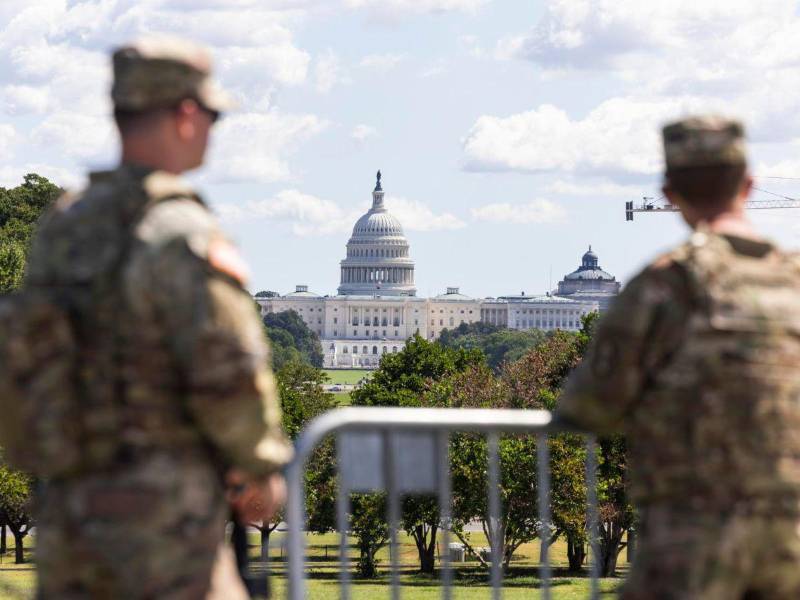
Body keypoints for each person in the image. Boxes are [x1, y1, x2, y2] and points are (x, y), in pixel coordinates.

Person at [24, 36, 292, 599]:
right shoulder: (181, 233)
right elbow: (230, 368)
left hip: (70, 512)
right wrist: (260, 467)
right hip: (164, 521)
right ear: (187, 115)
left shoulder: (64, 227)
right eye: (213, 115)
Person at [556, 116, 800, 599]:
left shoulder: (668, 284)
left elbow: (590, 407)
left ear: (669, 193)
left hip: (693, 533)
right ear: (749, 185)